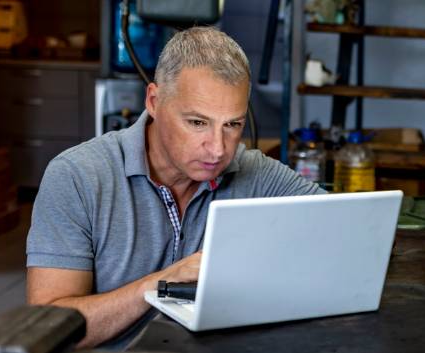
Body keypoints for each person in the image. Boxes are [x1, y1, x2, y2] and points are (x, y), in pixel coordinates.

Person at [24, 27, 324, 349]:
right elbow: (48, 326)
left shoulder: (255, 172)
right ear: (154, 101)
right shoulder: (77, 177)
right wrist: (160, 284)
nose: (218, 150)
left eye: (232, 124)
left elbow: (345, 227)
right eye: (197, 122)